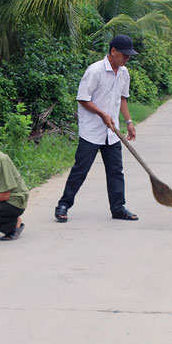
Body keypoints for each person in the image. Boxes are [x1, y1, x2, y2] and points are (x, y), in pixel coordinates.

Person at [54, 34, 139, 223]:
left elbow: (122, 98)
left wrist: (129, 122)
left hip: (112, 132)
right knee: (80, 170)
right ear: (113, 51)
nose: (127, 59)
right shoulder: (95, 71)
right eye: (124, 54)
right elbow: (83, 99)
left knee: (116, 171)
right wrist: (102, 114)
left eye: (129, 56)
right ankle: (64, 204)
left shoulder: (124, 73)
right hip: (91, 131)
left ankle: (118, 208)